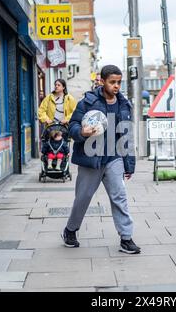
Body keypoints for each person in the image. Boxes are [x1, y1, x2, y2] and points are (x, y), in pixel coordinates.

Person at [62, 65, 140, 254]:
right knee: (83, 197)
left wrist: (129, 165)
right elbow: (72, 125)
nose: (116, 86)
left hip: (114, 158)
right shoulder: (87, 102)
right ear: (102, 81)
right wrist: (81, 132)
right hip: (91, 158)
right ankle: (70, 230)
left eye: (119, 82)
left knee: (119, 197)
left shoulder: (124, 104)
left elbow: (127, 136)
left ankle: (126, 238)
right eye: (112, 82)